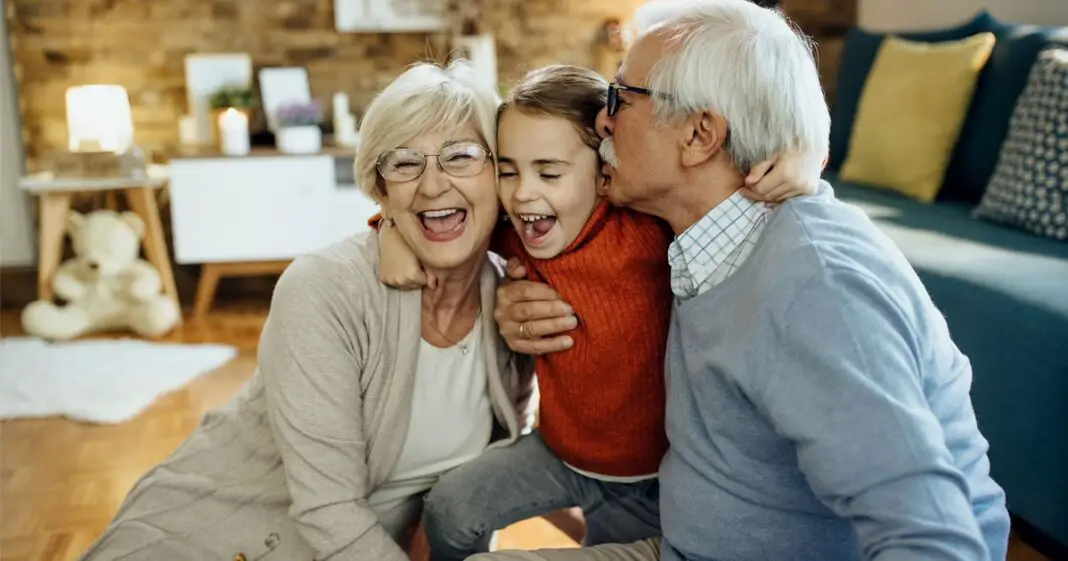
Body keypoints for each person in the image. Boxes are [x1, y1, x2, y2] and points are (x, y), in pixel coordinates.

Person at [484, 1, 1012, 560]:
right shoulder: (693, 230)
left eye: (622, 98)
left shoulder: (816, 289)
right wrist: (509, 291)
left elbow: (937, 541)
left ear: (700, 134)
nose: (602, 121)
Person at [76, 60, 537, 561]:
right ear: (381, 190)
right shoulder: (324, 289)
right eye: (404, 163)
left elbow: (494, 462)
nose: (431, 185)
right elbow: (328, 511)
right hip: (218, 539)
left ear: (499, 173)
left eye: (461, 156)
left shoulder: (513, 297)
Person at [370, 63, 823, 561]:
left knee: (602, 549)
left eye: (549, 172)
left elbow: (736, 189)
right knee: (451, 510)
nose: (522, 194)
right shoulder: (516, 228)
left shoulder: (647, 231)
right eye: (508, 170)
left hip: (652, 475)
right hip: (558, 451)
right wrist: (390, 227)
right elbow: (442, 219)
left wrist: (805, 154)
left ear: (606, 176)